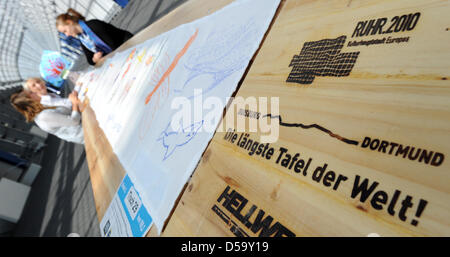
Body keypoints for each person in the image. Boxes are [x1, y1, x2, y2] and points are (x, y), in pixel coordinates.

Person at [56, 8, 134, 65]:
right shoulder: (83, 39)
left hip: (128, 44)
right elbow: (90, 61)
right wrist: (95, 58)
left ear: (69, 22)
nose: (66, 35)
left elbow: (114, 44)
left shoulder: (94, 25)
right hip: (119, 53)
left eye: (65, 31)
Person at [10, 89, 84, 144]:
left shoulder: (43, 107)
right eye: (31, 93)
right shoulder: (43, 116)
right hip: (84, 133)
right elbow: (74, 121)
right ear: (30, 100)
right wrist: (74, 103)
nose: (35, 91)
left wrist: (71, 98)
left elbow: (65, 108)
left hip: (83, 122)